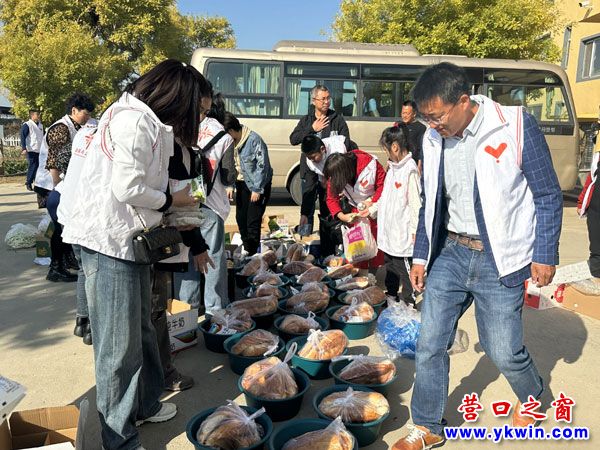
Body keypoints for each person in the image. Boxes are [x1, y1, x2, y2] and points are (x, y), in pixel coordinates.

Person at [392, 63, 562, 450]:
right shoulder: (433, 138)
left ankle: (533, 397)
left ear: (464, 101)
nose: (431, 125)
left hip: (498, 258)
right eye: (426, 118)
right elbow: (430, 203)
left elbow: (548, 194)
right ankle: (427, 425)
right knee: (430, 343)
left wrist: (544, 253)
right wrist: (420, 256)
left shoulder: (514, 125)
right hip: (450, 252)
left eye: (437, 116)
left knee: (503, 349)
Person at [62, 59, 212, 450]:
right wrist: (173, 201)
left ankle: (144, 404)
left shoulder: (143, 119)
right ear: (178, 98)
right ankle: (119, 439)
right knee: (118, 349)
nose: (195, 119)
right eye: (195, 110)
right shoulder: (134, 121)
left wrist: (172, 203)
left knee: (141, 331)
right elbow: (128, 188)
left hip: (127, 241)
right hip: (110, 245)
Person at [175, 92, 235, 315]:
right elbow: (228, 176)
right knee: (212, 257)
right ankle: (215, 310)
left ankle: (186, 312)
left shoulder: (179, 128)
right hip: (211, 204)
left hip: (182, 201)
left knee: (186, 255)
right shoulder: (223, 135)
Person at [289, 85, 350, 257]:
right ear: (313, 100)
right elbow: (293, 139)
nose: (326, 102)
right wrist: (312, 129)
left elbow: (346, 143)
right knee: (307, 205)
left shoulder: (337, 119)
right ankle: (303, 246)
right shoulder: (307, 120)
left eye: (328, 98)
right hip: (310, 171)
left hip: (329, 173)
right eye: (323, 99)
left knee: (327, 210)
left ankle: (328, 251)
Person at [40, 93, 95, 283]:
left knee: (65, 226)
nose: (88, 118)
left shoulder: (76, 127)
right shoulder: (61, 129)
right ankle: (56, 268)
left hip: (63, 184)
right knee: (59, 228)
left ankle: (66, 260)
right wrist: (60, 188)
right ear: (74, 110)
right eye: (85, 113)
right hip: (51, 184)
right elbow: (54, 163)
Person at [57, 119, 99, 345]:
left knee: (84, 268)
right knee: (95, 272)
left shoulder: (83, 134)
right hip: (85, 215)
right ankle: (93, 324)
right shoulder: (106, 138)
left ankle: (81, 320)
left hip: (68, 211)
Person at [377, 125, 421, 305]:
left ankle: (409, 303)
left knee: (404, 268)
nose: (386, 154)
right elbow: (385, 198)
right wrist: (371, 210)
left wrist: (415, 230)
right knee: (390, 267)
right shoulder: (392, 168)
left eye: (386, 149)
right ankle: (392, 296)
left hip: (402, 232)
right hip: (390, 231)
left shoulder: (410, 170)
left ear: (395, 147)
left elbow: (416, 205)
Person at [323, 149, 386, 271]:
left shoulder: (370, 164)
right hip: (355, 213)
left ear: (345, 173)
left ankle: (373, 274)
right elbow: (331, 199)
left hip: (375, 209)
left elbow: (383, 185)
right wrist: (343, 216)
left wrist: (372, 202)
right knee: (358, 250)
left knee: (375, 248)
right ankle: (360, 273)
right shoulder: (335, 173)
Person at [223, 111, 273, 256]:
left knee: (253, 221)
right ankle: (247, 249)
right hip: (241, 183)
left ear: (231, 131)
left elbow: (263, 166)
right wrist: (230, 185)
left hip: (258, 185)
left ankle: (252, 253)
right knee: (241, 218)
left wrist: (257, 189)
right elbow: (230, 164)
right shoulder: (230, 143)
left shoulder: (253, 140)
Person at [577, 124, 600, 278]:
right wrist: (581, 202)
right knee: (597, 253)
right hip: (596, 210)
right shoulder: (598, 157)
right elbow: (591, 179)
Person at [398, 100, 427, 171]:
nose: (404, 116)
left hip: (414, 163)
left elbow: (421, 148)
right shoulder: (399, 126)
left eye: (407, 113)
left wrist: (419, 166)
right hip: (400, 162)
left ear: (414, 114)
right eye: (403, 113)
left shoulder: (421, 127)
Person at [20, 109, 44, 191]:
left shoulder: (41, 125)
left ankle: (37, 184)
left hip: (39, 149)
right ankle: (28, 182)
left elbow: (42, 137)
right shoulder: (27, 125)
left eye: (39, 114)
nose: (39, 116)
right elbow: (22, 136)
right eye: (37, 114)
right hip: (31, 149)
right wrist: (24, 148)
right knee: (33, 166)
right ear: (32, 115)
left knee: (39, 167)